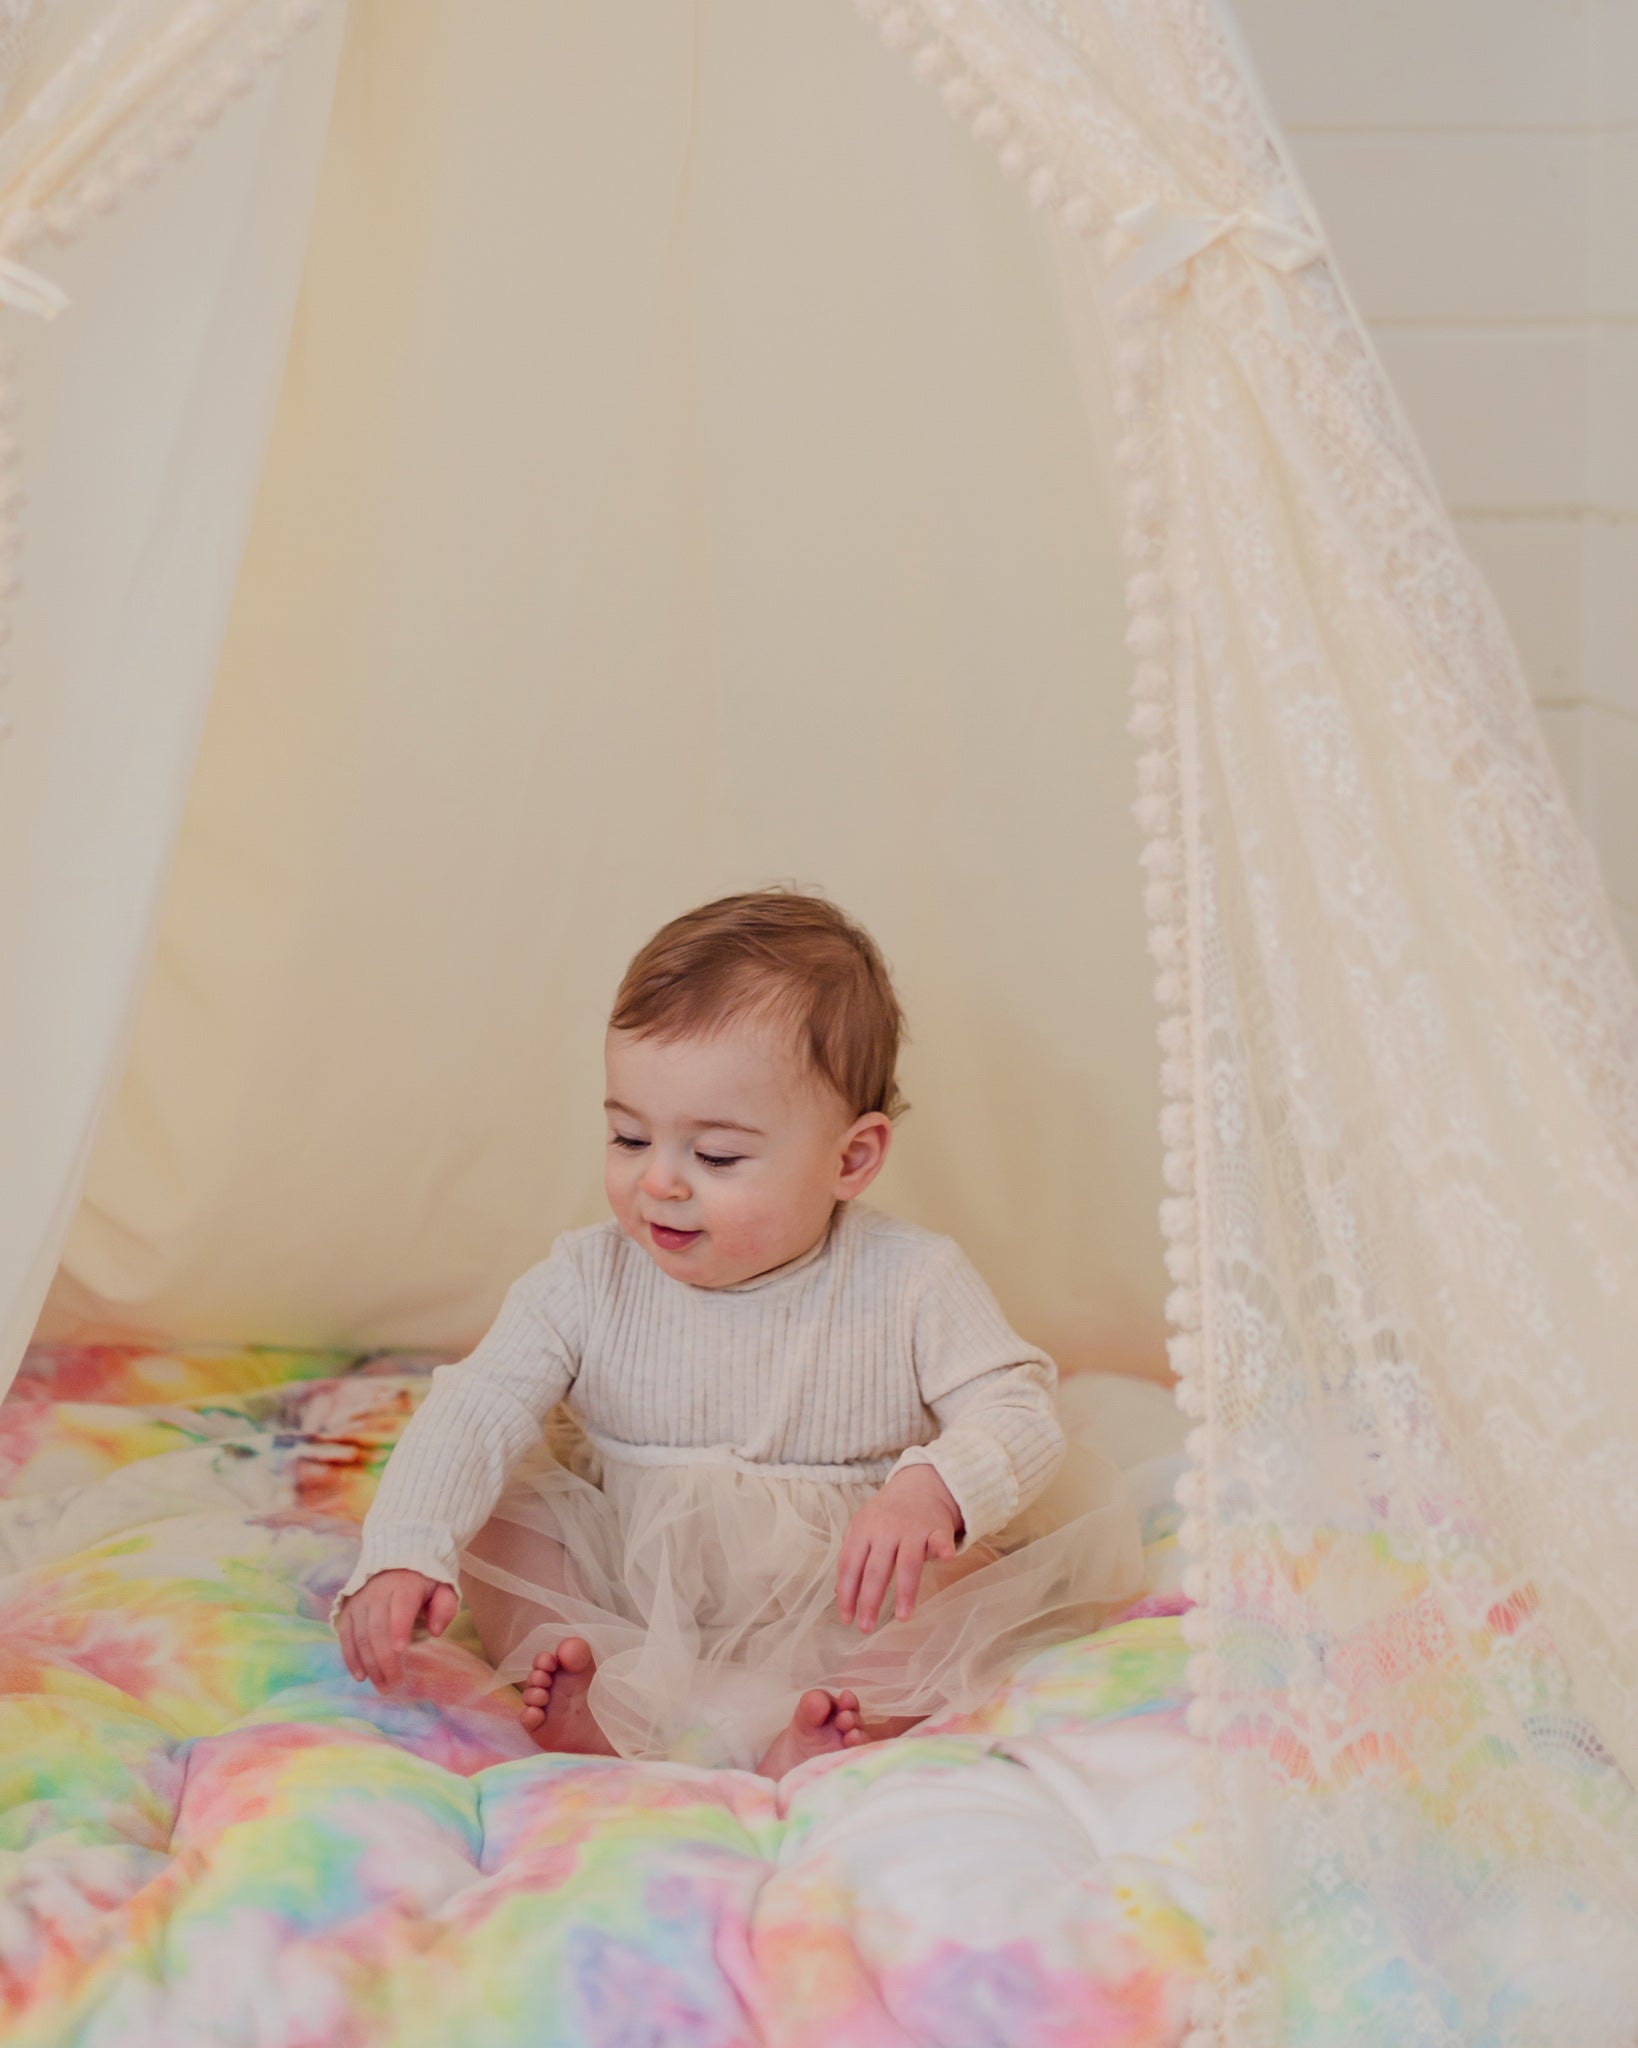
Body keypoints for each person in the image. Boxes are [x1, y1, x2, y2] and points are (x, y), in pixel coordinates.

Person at [332, 887, 1140, 1780]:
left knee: (968, 1585)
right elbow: (479, 1405)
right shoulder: (585, 1276)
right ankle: (581, 1686)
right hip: (628, 1579)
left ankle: (839, 1720)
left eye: (715, 1157)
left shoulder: (912, 1278)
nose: (660, 1184)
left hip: (841, 1585)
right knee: (501, 1521)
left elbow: (1016, 1407)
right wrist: (406, 1547)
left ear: (851, 1159)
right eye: (629, 1138)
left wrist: (931, 1493)